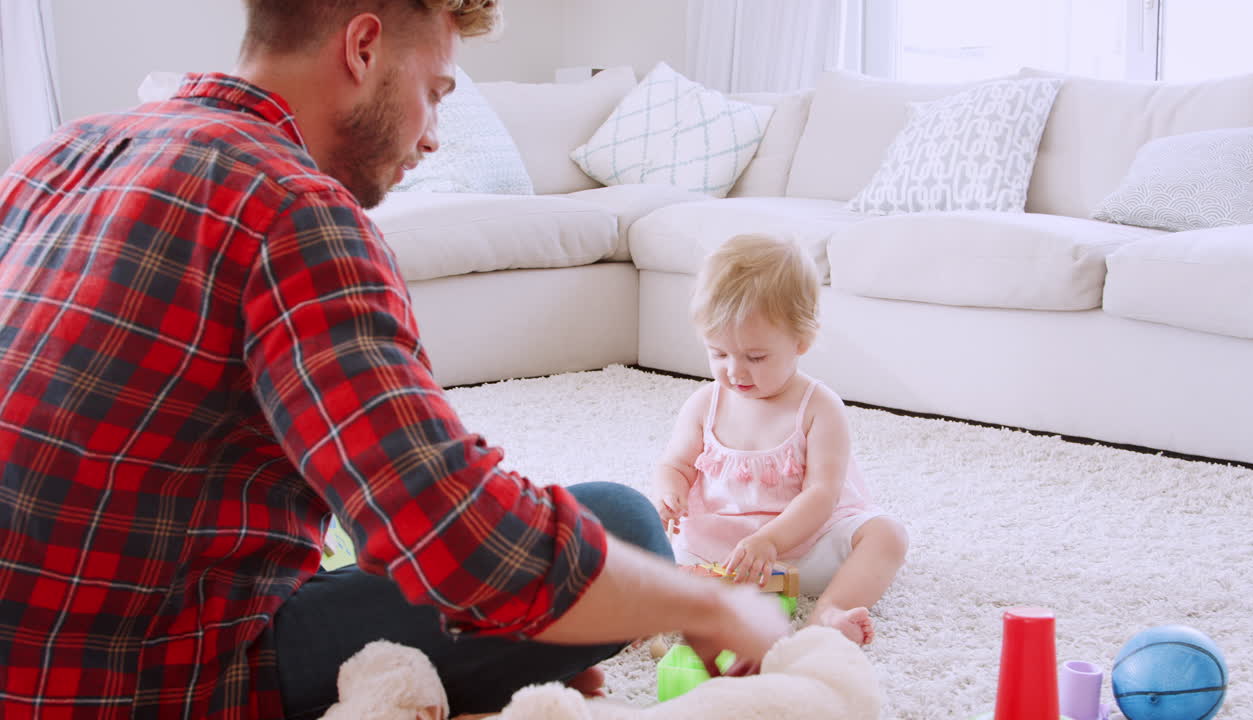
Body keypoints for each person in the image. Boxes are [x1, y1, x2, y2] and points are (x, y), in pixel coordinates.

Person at [0, 2, 789, 718]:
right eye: (438, 91)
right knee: (624, 525)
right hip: (159, 678)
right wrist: (705, 606)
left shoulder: (62, 154)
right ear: (365, 46)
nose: (434, 134)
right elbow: (452, 528)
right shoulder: (294, 208)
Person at [653, 233, 910, 646]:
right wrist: (670, 493)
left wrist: (770, 541)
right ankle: (660, 608)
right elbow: (676, 463)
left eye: (755, 357)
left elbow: (822, 494)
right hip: (722, 552)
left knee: (887, 536)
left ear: (801, 341)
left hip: (805, 547)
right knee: (642, 543)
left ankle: (830, 612)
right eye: (718, 353)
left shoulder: (819, 407)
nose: (735, 371)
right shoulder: (704, 403)